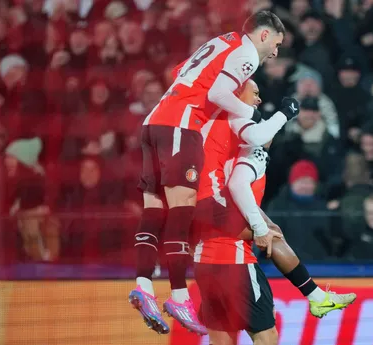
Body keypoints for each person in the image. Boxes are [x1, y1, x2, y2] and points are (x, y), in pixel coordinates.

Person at [129, 10, 286, 335]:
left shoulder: (222, 42)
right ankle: (178, 296)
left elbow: (180, 72)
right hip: (180, 125)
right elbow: (216, 95)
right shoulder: (247, 56)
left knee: (154, 212)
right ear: (264, 35)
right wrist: (252, 112)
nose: (275, 53)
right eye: (276, 44)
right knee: (182, 213)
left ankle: (144, 285)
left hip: (153, 122)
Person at [193, 80, 356, 345]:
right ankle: (316, 297)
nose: (258, 101)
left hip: (204, 259)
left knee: (221, 340)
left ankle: (317, 297)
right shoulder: (249, 149)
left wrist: (263, 221)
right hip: (232, 259)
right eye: (255, 94)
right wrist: (286, 113)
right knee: (266, 335)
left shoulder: (223, 141)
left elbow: (232, 192)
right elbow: (240, 176)